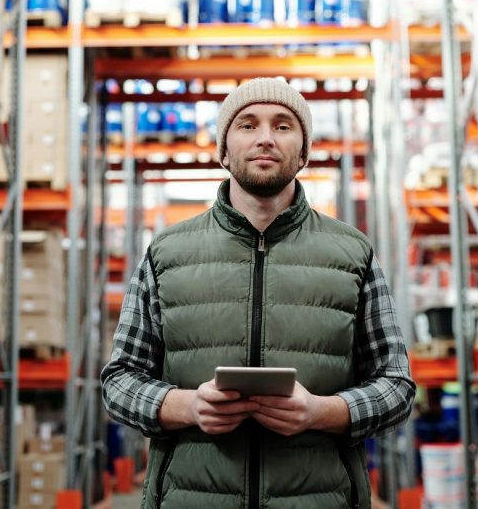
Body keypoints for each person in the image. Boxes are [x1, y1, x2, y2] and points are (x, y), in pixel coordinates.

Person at [101, 78, 415, 509]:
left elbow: (396, 386)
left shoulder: (353, 254)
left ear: (303, 153)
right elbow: (119, 382)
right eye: (247, 125)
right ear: (224, 151)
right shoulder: (166, 254)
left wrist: (321, 412)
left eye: (283, 126)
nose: (265, 138)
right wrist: (187, 406)